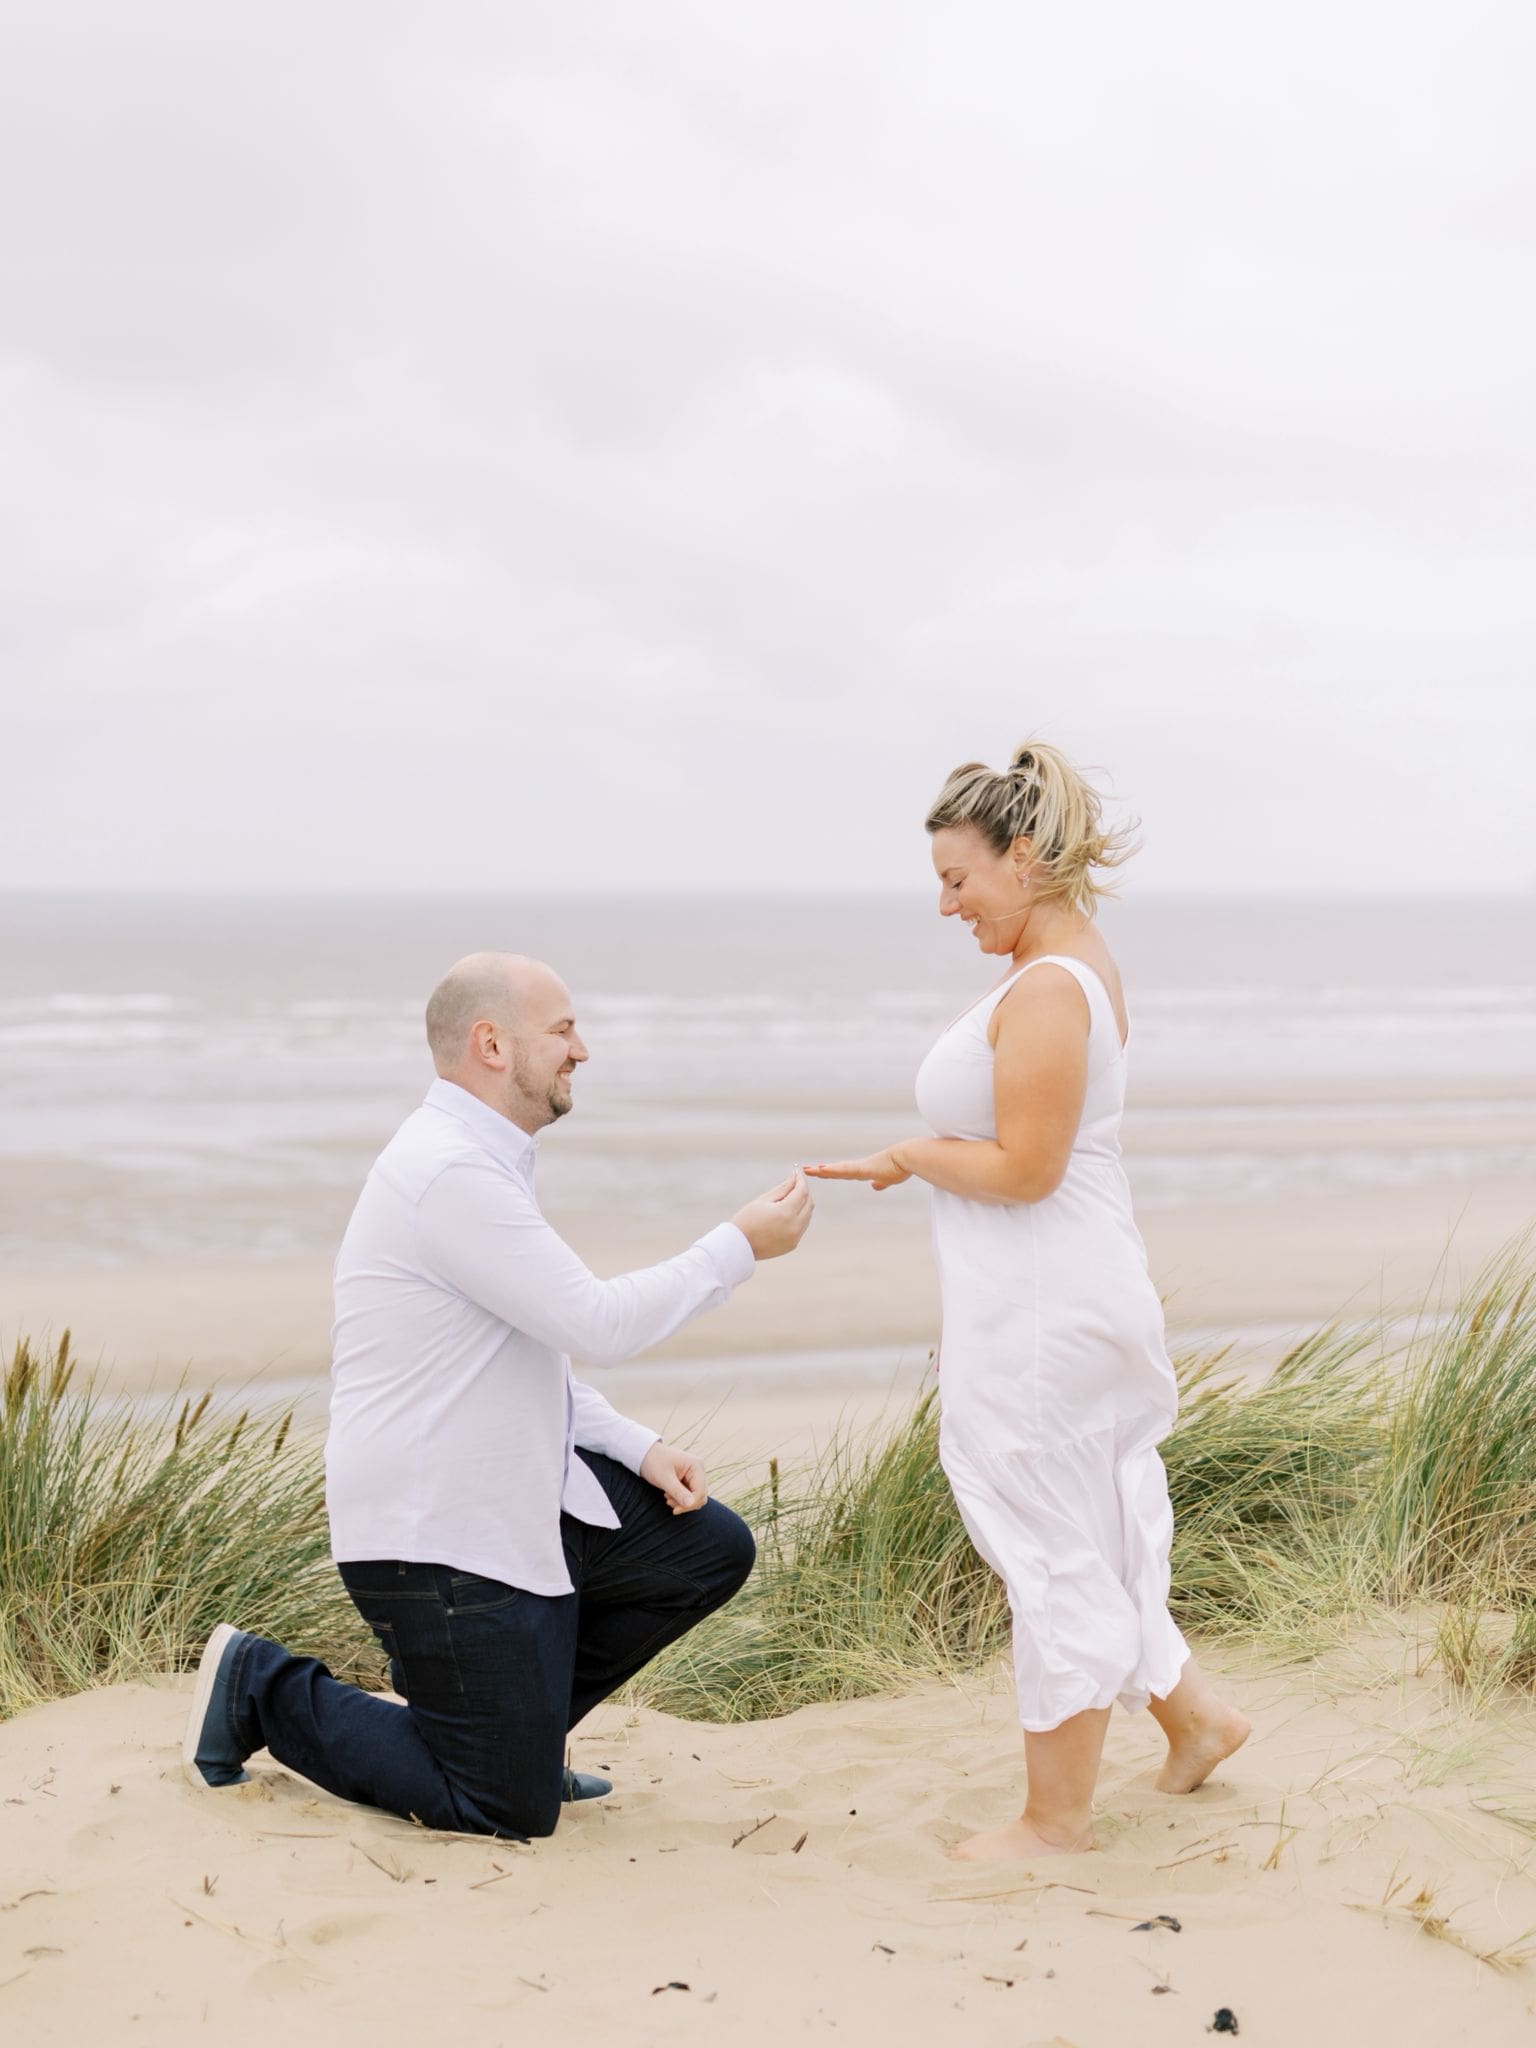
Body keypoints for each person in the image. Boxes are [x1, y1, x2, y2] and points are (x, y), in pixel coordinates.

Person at [184, 951, 813, 1839]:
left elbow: (524, 1352)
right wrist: (737, 1246)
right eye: (561, 1031)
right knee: (501, 1807)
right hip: (433, 1535)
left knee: (704, 1550)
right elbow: (596, 1323)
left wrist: (634, 1447)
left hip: (507, 1504)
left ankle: (510, 1731)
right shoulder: (450, 1174)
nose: (581, 1050)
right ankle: (261, 1688)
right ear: (490, 1044)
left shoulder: (482, 1159)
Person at [807, 743, 1248, 1862]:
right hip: (1058, 1294)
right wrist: (928, 1157)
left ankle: (1055, 1821)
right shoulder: (1062, 965)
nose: (947, 902)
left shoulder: (1052, 986)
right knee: (1085, 1527)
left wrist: (914, 1149)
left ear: (1025, 856)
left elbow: (1029, 1167)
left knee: (1046, 1537)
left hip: (1049, 1309)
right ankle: (1196, 1719)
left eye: (959, 878)